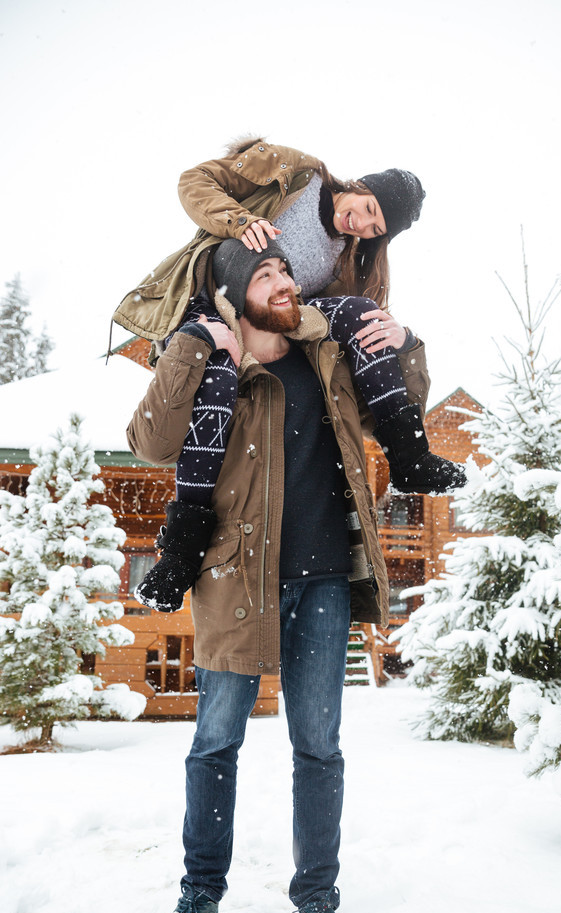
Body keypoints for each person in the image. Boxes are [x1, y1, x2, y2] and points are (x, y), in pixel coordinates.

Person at [126, 239, 449, 913]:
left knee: (319, 746)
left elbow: (398, 415)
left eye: (283, 272)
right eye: (265, 274)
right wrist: (189, 343)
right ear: (235, 294)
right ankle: (198, 894)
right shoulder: (216, 366)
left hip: (327, 580)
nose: (282, 282)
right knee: (215, 744)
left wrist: (406, 343)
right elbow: (150, 441)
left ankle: (317, 898)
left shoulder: (327, 358)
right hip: (234, 581)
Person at [121, 137, 474, 612]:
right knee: (219, 379)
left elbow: (339, 337)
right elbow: (194, 181)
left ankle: (409, 455)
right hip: (212, 301)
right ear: (360, 185)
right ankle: (180, 555)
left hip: (276, 325)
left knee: (360, 312)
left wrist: (400, 340)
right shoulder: (294, 173)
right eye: (368, 208)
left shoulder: (348, 259)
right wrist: (240, 221)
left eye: (376, 228)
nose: (363, 225)